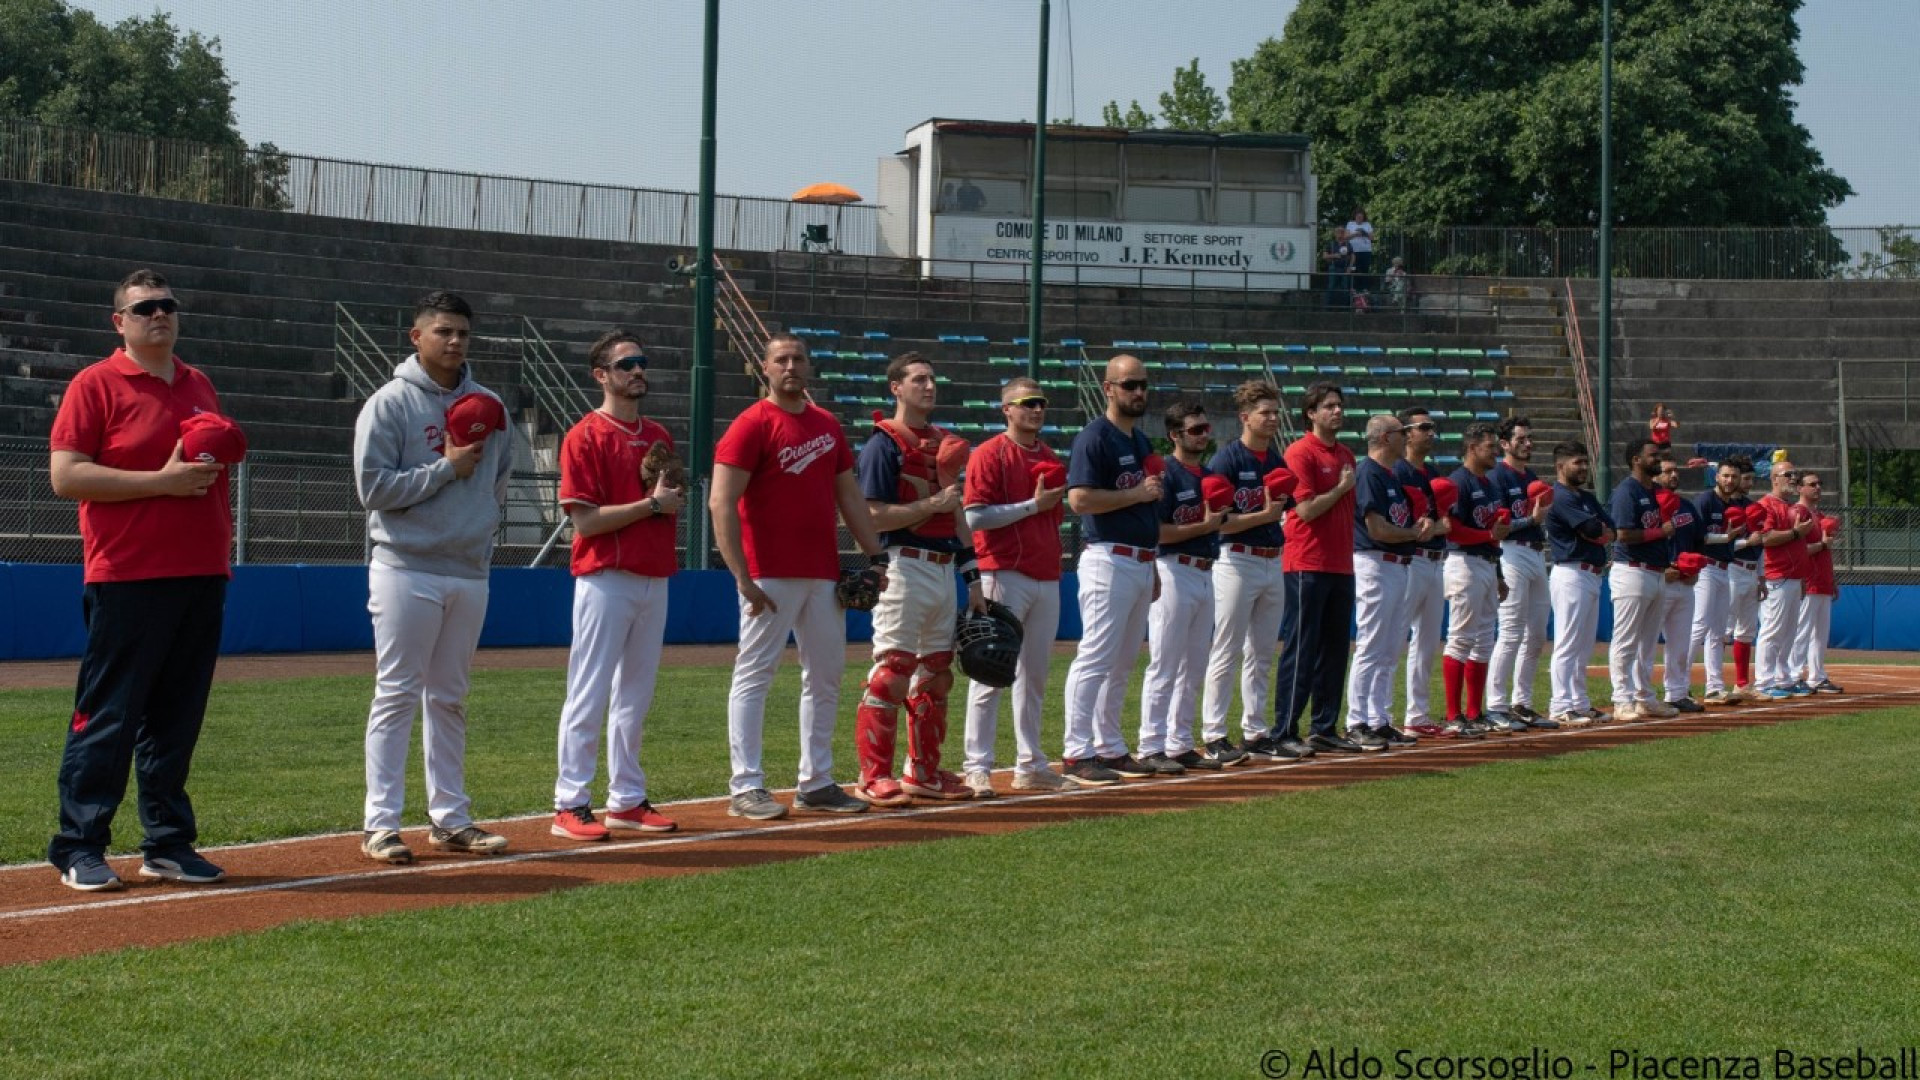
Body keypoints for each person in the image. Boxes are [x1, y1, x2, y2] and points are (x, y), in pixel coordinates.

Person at [45, 269, 235, 891]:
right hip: (128, 574)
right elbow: (67, 476)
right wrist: (161, 481)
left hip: (201, 572)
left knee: (177, 719)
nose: (159, 315)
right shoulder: (94, 384)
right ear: (119, 322)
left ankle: (168, 842)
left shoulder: (198, 382)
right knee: (108, 716)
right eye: (144, 308)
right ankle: (79, 843)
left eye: (167, 306)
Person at [353, 291, 515, 865]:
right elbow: (372, 491)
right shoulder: (389, 404)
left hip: (469, 569)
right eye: (443, 331)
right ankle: (380, 823)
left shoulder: (490, 404)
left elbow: (498, 480)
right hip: (405, 565)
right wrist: (445, 469)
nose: (454, 342)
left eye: (463, 334)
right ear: (415, 337)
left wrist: (477, 524)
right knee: (396, 693)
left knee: (450, 697)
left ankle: (451, 818)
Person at [710, 333, 889, 820]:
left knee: (826, 676)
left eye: (798, 359)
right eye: (780, 360)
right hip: (768, 572)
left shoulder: (826, 425)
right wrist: (741, 576)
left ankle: (817, 781)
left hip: (822, 573)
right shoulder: (751, 425)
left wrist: (878, 555)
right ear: (764, 369)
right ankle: (745, 785)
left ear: (809, 367)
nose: (790, 366)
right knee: (755, 675)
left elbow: (849, 497)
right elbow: (720, 501)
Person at [548, 330, 683, 843]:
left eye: (641, 363)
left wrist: (661, 502)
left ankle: (626, 798)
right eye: (626, 365)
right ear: (601, 375)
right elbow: (584, 523)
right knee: (588, 692)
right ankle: (570, 803)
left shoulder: (657, 435)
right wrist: (652, 505)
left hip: (653, 576)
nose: (637, 371)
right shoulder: (584, 435)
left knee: (636, 696)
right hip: (604, 577)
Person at [854, 352, 984, 805]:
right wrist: (928, 507)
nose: (929, 386)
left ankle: (923, 772)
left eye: (932, 379)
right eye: (918, 379)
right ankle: (874, 775)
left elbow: (958, 515)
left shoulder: (945, 443)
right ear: (896, 388)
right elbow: (870, 513)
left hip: (944, 567)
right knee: (892, 672)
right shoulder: (882, 444)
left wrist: (973, 577)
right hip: (904, 564)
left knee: (936, 674)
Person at [1060, 354, 1172, 785]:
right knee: (1096, 656)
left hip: (1140, 560)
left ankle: (1109, 747)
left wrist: (1155, 563)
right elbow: (1080, 500)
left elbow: (1144, 504)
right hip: (1107, 557)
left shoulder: (1140, 442)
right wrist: (1138, 495)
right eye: (1129, 385)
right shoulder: (1096, 437)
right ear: (1108, 389)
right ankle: (1075, 752)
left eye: (1142, 384)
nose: (1138, 392)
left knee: (1123, 662)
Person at [961, 377, 1069, 794]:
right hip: (1001, 570)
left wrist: (1039, 511)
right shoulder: (990, 453)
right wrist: (1031, 506)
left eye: (1040, 402)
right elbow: (975, 517)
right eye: (1026, 403)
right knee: (990, 668)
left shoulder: (1048, 455)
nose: (1036, 409)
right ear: (1007, 409)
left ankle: (1031, 763)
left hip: (1045, 573)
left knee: (1035, 675)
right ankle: (978, 766)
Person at [1199, 381, 1292, 764]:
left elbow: (1289, 510)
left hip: (1273, 559)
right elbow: (1216, 522)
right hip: (1236, 559)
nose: (1271, 419)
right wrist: (1264, 516)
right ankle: (1214, 733)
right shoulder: (1228, 460)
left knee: (1263, 652)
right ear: (1245, 417)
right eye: (1264, 412)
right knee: (1227, 649)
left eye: (1274, 412)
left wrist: (1276, 518)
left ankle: (1256, 730)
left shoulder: (1276, 461)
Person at [1267, 382, 1358, 754]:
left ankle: (1324, 726)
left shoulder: (1347, 454)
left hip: (1340, 563)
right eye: (1329, 406)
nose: (1337, 411)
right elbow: (1303, 510)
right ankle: (1284, 729)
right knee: (1302, 648)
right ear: (1311, 413)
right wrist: (1338, 489)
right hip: (1307, 562)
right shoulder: (1300, 452)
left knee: (1336, 650)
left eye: (1339, 405)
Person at [1139, 400, 1228, 772]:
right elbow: (1159, 532)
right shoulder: (1169, 474)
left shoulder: (1207, 475)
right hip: (1173, 568)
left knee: (1194, 664)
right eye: (1195, 430)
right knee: (1165, 661)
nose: (1203, 435)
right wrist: (1205, 526)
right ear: (1174, 435)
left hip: (1206, 570)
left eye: (1205, 428)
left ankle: (1179, 742)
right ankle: (1150, 744)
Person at [1343, 415, 1429, 748]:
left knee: (1390, 647)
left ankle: (1378, 719)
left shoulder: (1390, 475)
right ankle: (1357, 721)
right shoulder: (1369, 473)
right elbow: (1377, 528)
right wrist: (1412, 533)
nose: (1406, 437)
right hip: (1374, 562)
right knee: (1371, 644)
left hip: (1396, 565)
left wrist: (1417, 529)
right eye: (1400, 432)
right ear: (1383, 438)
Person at [1440, 423, 1513, 736]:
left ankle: (1474, 711)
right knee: (1461, 639)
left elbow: (1492, 537)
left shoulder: (1490, 484)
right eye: (1489, 446)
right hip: (1463, 563)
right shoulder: (1460, 481)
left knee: (1483, 640)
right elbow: (1452, 530)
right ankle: (1454, 714)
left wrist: (1498, 573)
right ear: (1471, 448)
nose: (1495, 450)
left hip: (1485, 562)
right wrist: (1488, 535)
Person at [1485, 417, 1555, 730]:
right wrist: (1531, 519)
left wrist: (1533, 519)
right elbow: (1497, 527)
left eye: (1529, 438)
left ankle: (1522, 702)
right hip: (1510, 551)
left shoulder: (1531, 475)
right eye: (1520, 439)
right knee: (1511, 631)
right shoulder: (1498, 476)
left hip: (1536, 553)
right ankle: (1496, 705)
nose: (1527, 443)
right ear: (1504, 444)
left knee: (1537, 634)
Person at [1606, 439, 1678, 723]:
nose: (1657, 459)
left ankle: (1644, 698)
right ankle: (1621, 700)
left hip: (1656, 572)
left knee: (1648, 643)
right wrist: (1661, 532)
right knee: (1625, 640)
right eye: (1652, 455)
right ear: (1636, 459)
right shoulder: (1627, 490)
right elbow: (1622, 534)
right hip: (1632, 570)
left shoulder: (1656, 491)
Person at [1542, 442, 1613, 727]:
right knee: (1568, 642)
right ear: (1561, 466)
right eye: (1577, 463)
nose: (1583, 467)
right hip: (1571, 571)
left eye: (1585, 462)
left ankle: (1579, 702)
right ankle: (1560, 704)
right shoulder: (1559, 496)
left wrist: (1600, 531)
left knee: (1584, 644)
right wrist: (1598, 531)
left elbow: (1612, 528)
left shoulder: (1585, 497)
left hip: (1591, 572)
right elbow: (1594, 528)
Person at [1392, 406, 1450, 736]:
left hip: (1435, 560)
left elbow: (1445, 524)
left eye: (1432, 426)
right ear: (1406, 433)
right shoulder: (1398, 471)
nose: (1430, 432)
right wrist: (1432, 527)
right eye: (1423, 427)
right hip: (1410, 559)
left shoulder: (1433, 472)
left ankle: (1417, 714)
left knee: (1427, 641)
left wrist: (1435, 527)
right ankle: (1378, 717)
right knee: (1395, 638)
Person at [1688, 460, 1752, 706]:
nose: (1730, 481)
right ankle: (1679, 684)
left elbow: (1733, 542)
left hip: (1726, 568)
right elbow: (1699, 536)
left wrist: (1741, 540)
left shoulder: (1734, 505)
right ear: (1717, 476)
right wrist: (1727, 536)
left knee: (1718, 631)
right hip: (1706, 567)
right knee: (1700, 624)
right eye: (1725, 476)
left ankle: (1714, 686)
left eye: (1734, 477)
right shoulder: (1705, 501)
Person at [1752, 458, 1816, 701]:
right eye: (1787, 474)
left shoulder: (1790, 507)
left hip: (1792, 576)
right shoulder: (1767, 505)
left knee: (1789, 631)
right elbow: (1765, 537)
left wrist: (1800, 578)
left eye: (1794, 474)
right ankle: (1764, 681)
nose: (1792, 479)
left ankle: (1783, 678)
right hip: (1775, 575)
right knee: (1772, 630)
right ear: (1774, 478)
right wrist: (1795, 533)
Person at [1652, 459, 1706, 713]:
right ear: (1655, 475)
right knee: (1647, 640)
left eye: (1676, 470)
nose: (1674, 475)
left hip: (1685, 581)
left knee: (1680, 642)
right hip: (1658, 578)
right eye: (1667, 471)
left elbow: (1698, 541)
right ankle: (1638, 693)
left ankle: (1677, 692)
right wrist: (1661, 568)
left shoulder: (1686, 506)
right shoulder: (1650, 502)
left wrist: (1695, 569)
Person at [1790, 473, 1842, 695]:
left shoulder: (1818, 515)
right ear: (1800, 488)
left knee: (1820, 634)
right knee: (1802, 632)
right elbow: (1797, 549)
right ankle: (1792, 675)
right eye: (1812, 484)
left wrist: (1833, 580)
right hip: (1807, 581)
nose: (1818, 487)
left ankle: (1817, 676)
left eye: (1820, 483)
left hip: (1822, 581)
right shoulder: (1798, 513)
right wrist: (1822, 545)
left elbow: (1824, 552)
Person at [1723, 454, 1765, 701]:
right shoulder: (1726, 507)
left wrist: (1761, 577)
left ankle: (1742, 683)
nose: (1747, 483)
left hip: (1750, 569)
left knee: (1747, 630)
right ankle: (1714, 684)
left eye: (1749, 478)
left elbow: (1760, 544)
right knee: (1723, 629)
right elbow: (1719, 543)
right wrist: (1745, 541)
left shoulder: (1752, 506)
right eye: (1744, 478)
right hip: (1732, 568)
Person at [1321, 227, 1354, 310]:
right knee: (1331, 287)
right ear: (1335, 234)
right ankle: (1327, 307)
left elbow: (1353, 256)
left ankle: (1346, 308)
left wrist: (1350, 267)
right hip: (1333, 268)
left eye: (1342, 232)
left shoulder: (1348, 244)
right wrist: (1334, 255)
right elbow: (1324, 256)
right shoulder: (1331, 244)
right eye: (1338, 232)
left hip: (1345, 269)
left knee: (1345, 288)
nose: (1340, 234)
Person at [1345, 208, 1376, 294]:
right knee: (1354, 269)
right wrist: (1355, 234)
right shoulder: (1350, 224)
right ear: (1355, 216)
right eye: (1358, 216)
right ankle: (1354, 288)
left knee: (1365, 269)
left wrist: (1364, 233)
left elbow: (1372, 237)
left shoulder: (1367, 224)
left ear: (1363, 217)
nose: (1359, 217)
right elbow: (1346, 237)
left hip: (1366, 251)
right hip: (1354, 252)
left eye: (1361, 216)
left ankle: (1365, 288)